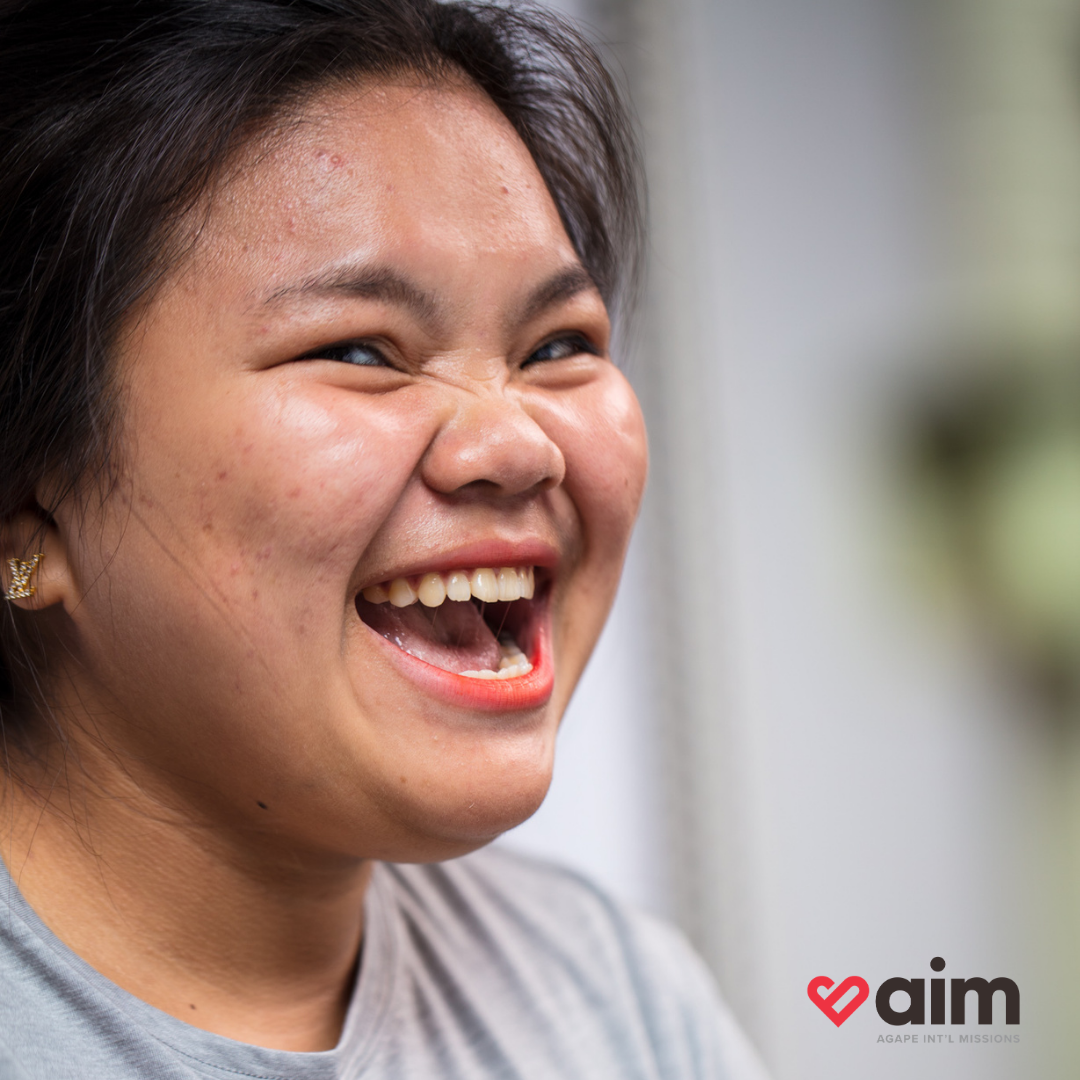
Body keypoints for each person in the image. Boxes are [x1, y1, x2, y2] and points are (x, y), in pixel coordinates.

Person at [0, 1, 768, 1077]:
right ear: (28, 503)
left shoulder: (614, 998)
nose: (518, 443)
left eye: (557, 344)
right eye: (361, 350)